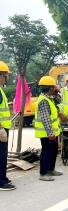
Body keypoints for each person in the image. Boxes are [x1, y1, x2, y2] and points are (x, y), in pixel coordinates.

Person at [34, 76, 63, 181]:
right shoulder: (43, 101)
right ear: (50, 88)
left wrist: (57, 93)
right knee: (46, 152)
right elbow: (45, 119)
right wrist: (50, 134)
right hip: (46, 133)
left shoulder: (50, 98)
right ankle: (43, 173)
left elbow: (59, 101)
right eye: (53, 87)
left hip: (53, 132)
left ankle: (51, 169)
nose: (55, 88)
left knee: (53, 151)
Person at [0, 61, 15, 190]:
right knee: (1, 155)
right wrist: (0, 129)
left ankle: (2, 177)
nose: (7, 77)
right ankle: (1, 182)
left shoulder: (0, 89)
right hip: (0, 129)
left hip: (3, 127)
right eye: (5, 75)